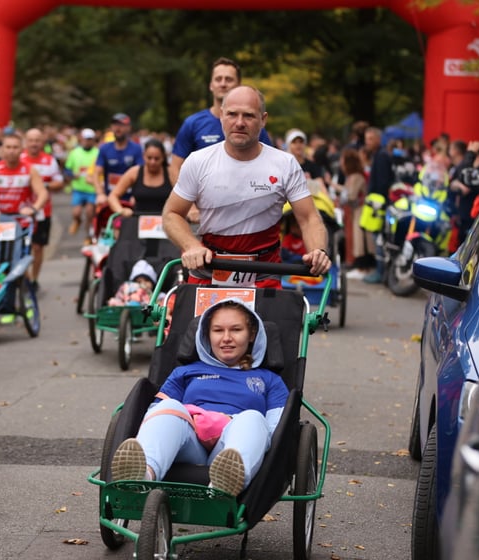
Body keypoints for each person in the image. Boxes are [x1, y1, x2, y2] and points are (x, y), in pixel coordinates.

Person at [111, 298, 289, 496]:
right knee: (168, 407)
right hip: (190, 443)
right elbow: (155, 416)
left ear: (251, 334)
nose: (227, 338)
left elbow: (277, 431)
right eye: (218, 330)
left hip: (235, 444)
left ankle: (224, 486)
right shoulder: (185, 372)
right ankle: (143, 475)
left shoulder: (269, 379)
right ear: (207, 334)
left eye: (236, 330)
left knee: (253, 418)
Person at [162, 86, 331, 288]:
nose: (239, 123)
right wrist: (191, 246)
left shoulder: (285, 164)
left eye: (249, 116)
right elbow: (171, 214)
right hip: (208, 271)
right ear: (222, 116)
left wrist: (317, 252)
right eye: (232, 114)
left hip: (265, 275)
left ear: (263, 119)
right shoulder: (198, 161)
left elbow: (309, 217)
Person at [169, 57, 273, 184]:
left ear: (239, 85)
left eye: (229, 79)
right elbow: (175, 168)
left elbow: (269, 166)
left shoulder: (252, 126)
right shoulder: (193, 123)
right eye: (218, 79)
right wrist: (190, 203)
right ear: (211, 85)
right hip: (202, 202)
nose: (223, 84)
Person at [20, 128, 64, 288]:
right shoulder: (20, 158)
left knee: (37, 248)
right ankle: (23, 277)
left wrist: (43, 185)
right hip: (20, 212)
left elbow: (59, 182)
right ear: (25, 142)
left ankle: (33, 279)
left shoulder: (49, 160)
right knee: (21, 247)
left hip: (42, 212)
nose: (34, 144)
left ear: (42, 143)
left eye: (37, 140)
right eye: (31, 140)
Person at [362, 126, 395, 284]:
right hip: (381, 202)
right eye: (365, 139)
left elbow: (382, 182)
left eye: (370, 139)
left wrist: (378, 202)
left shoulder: (381, 156)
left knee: (379, 239)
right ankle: (381, 271)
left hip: (380, 204)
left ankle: (380, 272)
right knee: (379, 238)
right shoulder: (380, 155)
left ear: (378, 139)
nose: (366, 142)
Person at [107, 138, 172, 217]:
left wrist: (190, 210)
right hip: (138, 221)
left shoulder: (171, 173)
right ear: (144, 156)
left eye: (156, 158)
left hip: (165, 222)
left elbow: (185, 196)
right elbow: (113, 196)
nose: (153, 162)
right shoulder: (134, 172)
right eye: (149, 158)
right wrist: (121, 210)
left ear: (163, 157)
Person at [91, 113, 143, 208]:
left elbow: (142, 174)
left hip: (130, 200)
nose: (118, 128)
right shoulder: (104, 148)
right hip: (109, 198)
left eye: (122, 125)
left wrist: (137, 195)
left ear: (129, 127)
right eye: (115, 124)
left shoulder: (137, 149)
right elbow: (96, 174)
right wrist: (100, 194)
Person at [64, 128, 99, 236]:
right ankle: (77, 221)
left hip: (92, 189)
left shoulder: (97, 153)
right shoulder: (75, 153)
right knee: (76, 212)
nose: (87, 141)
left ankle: (88, 234)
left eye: (90, 139)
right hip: (78, 188)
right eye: (86, 139)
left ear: (93, 140)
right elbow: (67, 169)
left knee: (89, 213)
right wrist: (73, 175)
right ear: (81, 139)